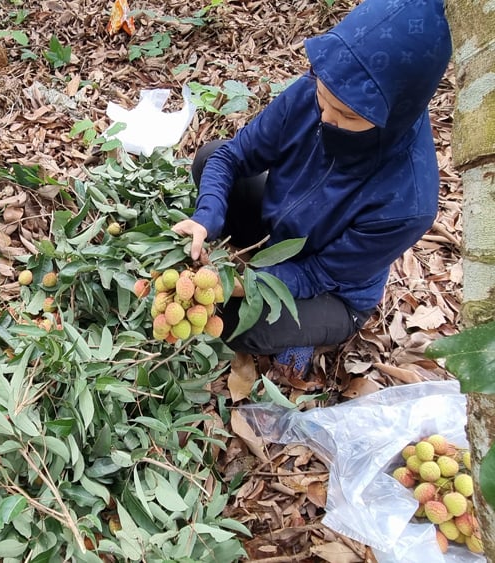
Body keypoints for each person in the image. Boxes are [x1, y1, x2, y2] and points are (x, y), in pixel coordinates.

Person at [172, 0, 452, 381]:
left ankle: (307, 333)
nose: (326, 117)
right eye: (324, 98)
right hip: (280, 224)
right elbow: (231, 158)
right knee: (209, 158)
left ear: (395, 114)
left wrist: (244, 286)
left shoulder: (408, 201)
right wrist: (206, 221)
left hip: (334, 293)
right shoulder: (314, 91)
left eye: (348, 116)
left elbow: (318, 273)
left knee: (238, 323)